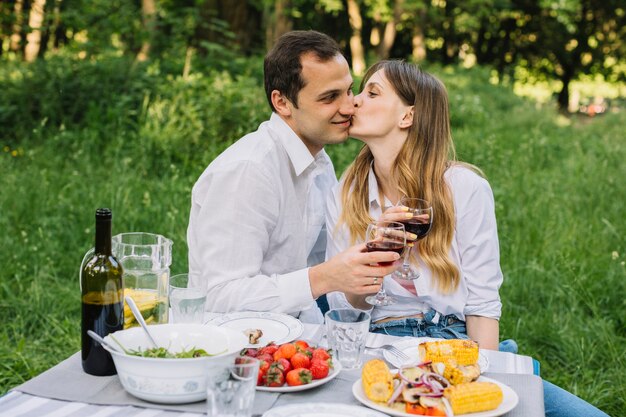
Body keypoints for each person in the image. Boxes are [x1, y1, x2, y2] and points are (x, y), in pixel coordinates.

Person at [325, 60, 609, 416]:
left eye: (372, 92)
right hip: (382, 348)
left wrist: (482, 374)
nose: (354, 102)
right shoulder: (344, 193)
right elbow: (344, 309)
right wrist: (373, 259)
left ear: (407, 117)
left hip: (455, 341)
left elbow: (482, 304)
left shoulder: (463, 189)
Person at [186, 30, 400, 323]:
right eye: (329, 98)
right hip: (238, 340)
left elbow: (325, 264)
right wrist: (322, 278)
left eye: (349, 90)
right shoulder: (249, 170)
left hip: (299, 331)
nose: (350, 107)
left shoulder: (319, 164)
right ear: (282, 103)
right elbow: (220, 295)